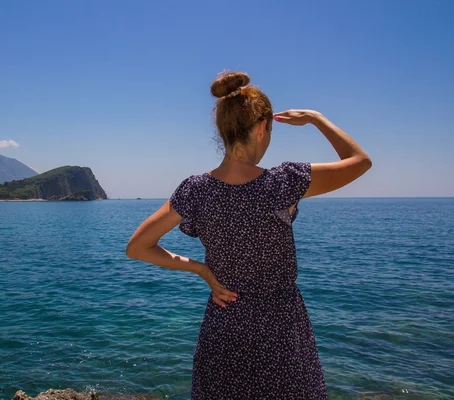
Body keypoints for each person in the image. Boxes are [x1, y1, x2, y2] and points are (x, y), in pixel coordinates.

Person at [126, 71, 372, 399]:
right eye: (269, 130)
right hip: (281, 332)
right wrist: (317, 119)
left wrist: (201, 270)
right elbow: (360, 162)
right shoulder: (285, 182)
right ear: (260, 128)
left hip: (224, 327)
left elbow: (137, 247)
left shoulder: (196, 191)